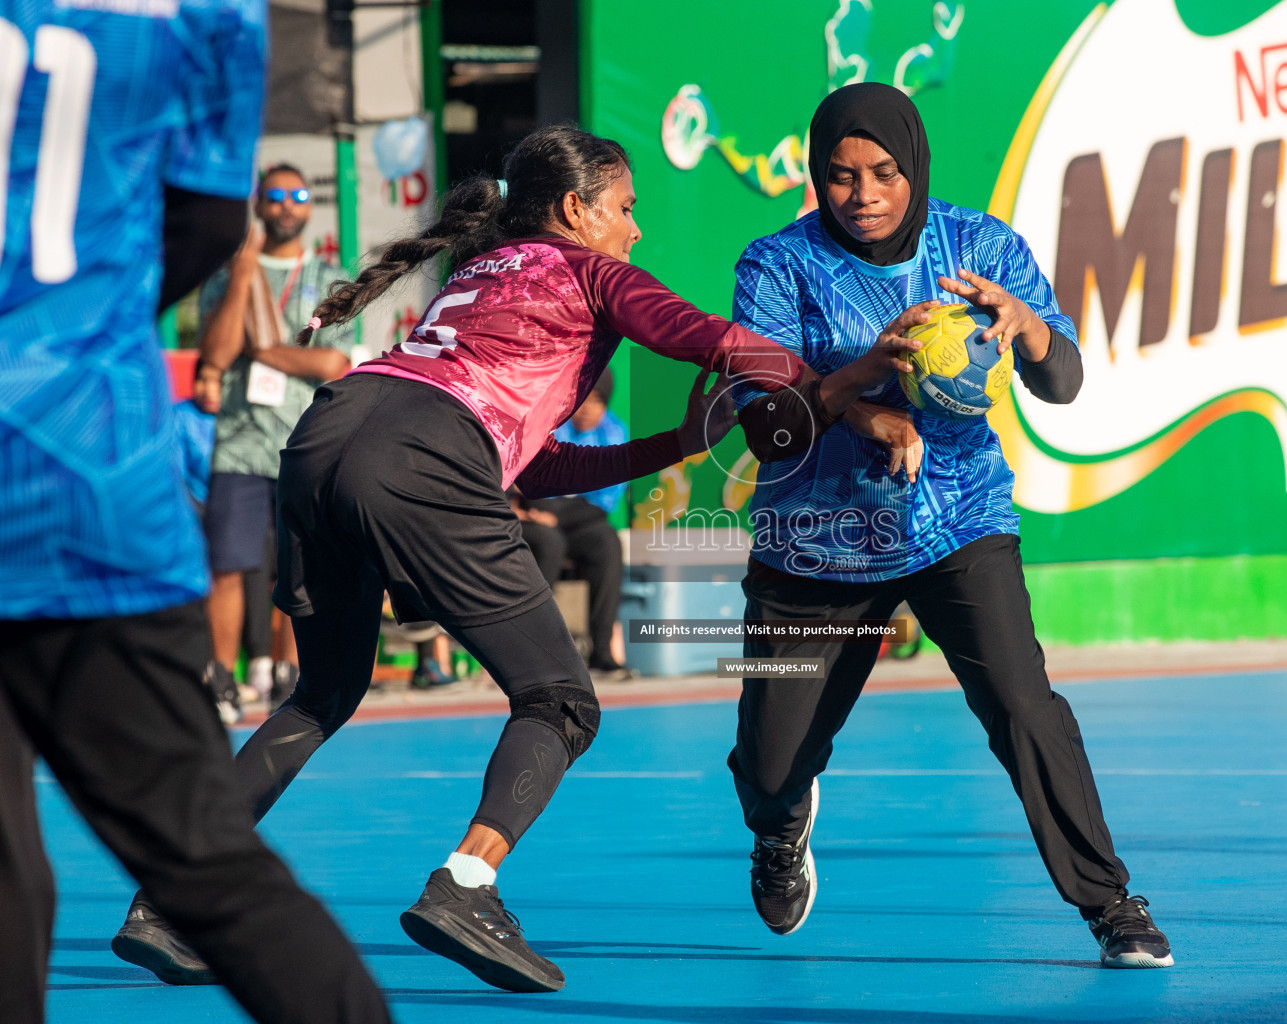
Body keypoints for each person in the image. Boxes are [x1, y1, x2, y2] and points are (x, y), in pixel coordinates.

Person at [112, 123, 916, 994]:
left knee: (322, 691)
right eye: (625, 208)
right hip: (423, 453)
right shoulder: (590, 269)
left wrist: (676, 442)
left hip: (328, 433)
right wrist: (845, 381)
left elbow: (527, 460)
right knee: (561, 701)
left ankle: (170, 897)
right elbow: (701, 336)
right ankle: (466, 886)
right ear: (577, 210)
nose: (635, 229)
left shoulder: (476, 278)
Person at [0, 0, 393, 1019]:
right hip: (88, 463)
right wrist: (76, 325)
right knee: (205, 858)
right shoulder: (213, 11)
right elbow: (208, 222)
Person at [726, 83, 1174, 969]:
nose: (863, 195)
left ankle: (1111, 903)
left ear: (914, 167)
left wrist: (1032, 332)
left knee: (1024, 706)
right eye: (840, 176)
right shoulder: (774, 266)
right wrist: (863, 393)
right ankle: (780, 828)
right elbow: (764, 419)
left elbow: (1064, 382)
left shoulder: (979, 246)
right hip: (813, 541)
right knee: (770, 766)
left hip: (956, 517)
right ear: (817, 175)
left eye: (884, 173)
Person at [196, 163, 353, 716]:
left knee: (301, 565)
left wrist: (261, 350)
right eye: (276, 195)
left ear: (310, 206)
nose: (287, 204)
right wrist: (243, 273)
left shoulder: (330, 276)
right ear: (259, 204)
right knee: (228, 563)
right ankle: (220, 678)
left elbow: (333, 361)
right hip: (239, 442)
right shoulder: (226, 273)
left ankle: (291, 673)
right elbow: (214, 354)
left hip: (303, 441)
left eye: (298, 193)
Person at [519, 366, 632, 674]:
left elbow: (603, 502)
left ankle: (602, 651)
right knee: (548, 542)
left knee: (607, 542)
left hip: (571, 518)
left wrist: (555, 514)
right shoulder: (551, 423)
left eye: (597, 401)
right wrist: (546, 513)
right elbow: (530, 479)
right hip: (535, 516)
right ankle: (537, 653)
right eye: (583, 399)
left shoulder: (615, 432)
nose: (587, 408)